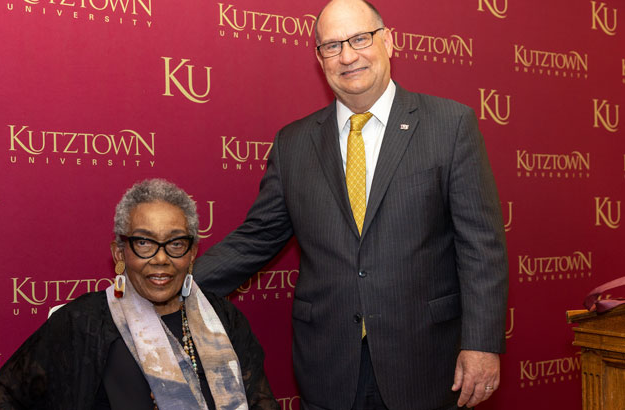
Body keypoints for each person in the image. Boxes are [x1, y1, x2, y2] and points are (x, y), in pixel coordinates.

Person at [193, 1, 508, 409]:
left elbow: (481, 246)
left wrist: (482, 345)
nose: (347, 55)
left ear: (389, 41)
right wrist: (168, 284)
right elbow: (257, 239)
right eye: (332, 45)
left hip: (427, 364)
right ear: (318, 57)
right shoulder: (293, 144)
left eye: (360, 39)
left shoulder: (450, 125)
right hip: (329, 367)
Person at [0, 179, 279, 410]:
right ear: (120, 253)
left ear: (192, 254)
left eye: (176, 244)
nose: (161, 259)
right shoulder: (82, 322)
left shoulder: (225, 320)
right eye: (143, 242)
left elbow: (260, 403)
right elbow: (6, 395)